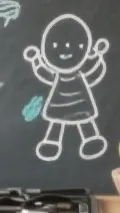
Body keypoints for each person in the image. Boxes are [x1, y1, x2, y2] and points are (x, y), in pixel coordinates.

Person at [23, 14, 111, 161]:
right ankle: (52, 142)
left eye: (76, 45)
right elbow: (44, 72)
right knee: (57, 121)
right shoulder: (58, 76)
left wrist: (100, 57)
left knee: (84, 120)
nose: (66, 50)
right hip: (60, 102)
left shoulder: (80, 75)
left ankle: (91, 140)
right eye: (56, 46)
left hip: (79, 102)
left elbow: (95, 73)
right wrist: (36, 60)